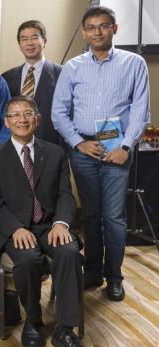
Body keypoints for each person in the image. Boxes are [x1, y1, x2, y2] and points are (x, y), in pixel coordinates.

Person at [0, 96, 91, 347]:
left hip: (49, 225)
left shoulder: (55, 152)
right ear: (6, 122)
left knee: (69, 252)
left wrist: (61, 224)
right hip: (15, 228)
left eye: (27, 113)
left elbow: (66, 195)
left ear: (37, 119)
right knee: (28, 259)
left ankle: (66, 331)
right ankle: (33, 319)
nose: (22, 119)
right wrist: (15, 228)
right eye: (15, 115)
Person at [52, 5, 151, 301]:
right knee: (92, 216)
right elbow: (59, 113)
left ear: (115, 29)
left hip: (116, 149)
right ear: (84, 32)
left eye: (103, 26)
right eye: (91, 28)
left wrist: (125, 147)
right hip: (83, 150)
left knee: (114, 218)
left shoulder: (134, 63)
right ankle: (93, 272)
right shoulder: (72, 67)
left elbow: (140, 111)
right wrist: (78, 143)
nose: (97, 32)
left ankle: (114, 277)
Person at [1, 20, 63, 145]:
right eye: (24, 39)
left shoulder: (62, 73)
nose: (29, 43)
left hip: (51, 146)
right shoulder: (7, 78)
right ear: (19, 44)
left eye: (35, 38)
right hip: (16, 146)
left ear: (44, 41)